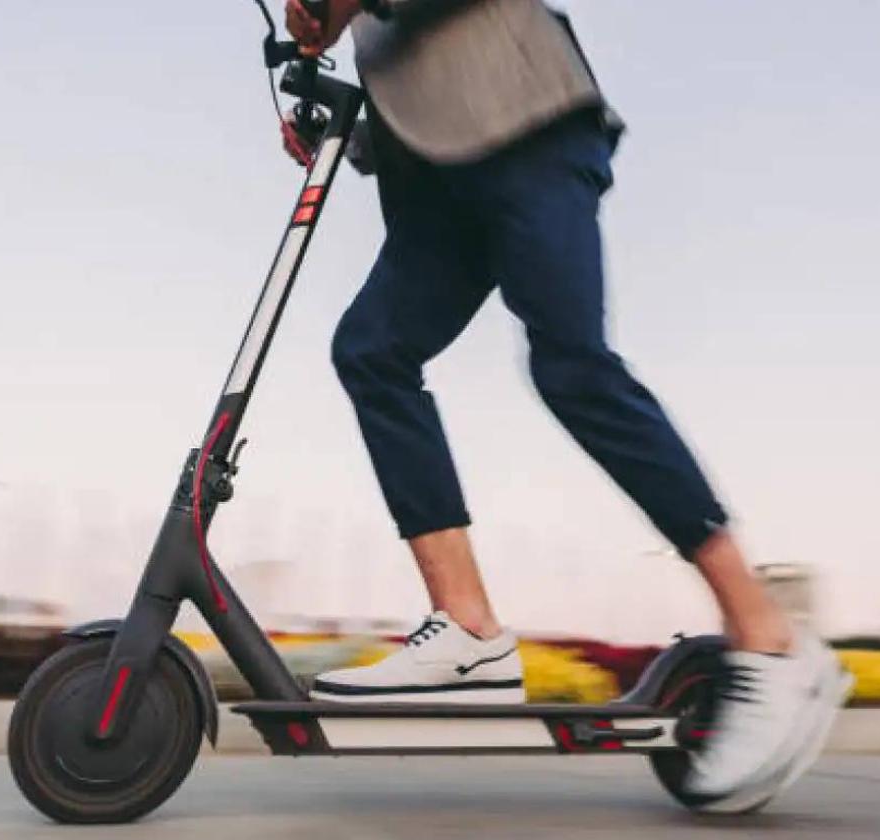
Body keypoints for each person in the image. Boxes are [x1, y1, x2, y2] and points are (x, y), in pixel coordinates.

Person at [282, 0, 850, 800]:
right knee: (372, 351)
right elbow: (423, 84)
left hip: (532, 128)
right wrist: (350, 131)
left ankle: (769, 635)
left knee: (573, 366)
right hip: (440, 183)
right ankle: (470, 631)